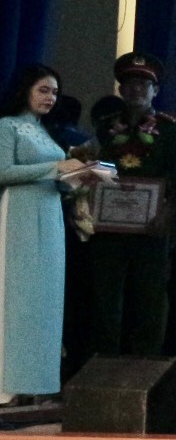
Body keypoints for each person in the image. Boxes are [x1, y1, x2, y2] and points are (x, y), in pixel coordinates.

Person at [3, 65, 96, 403]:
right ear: (24, 90)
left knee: (45, 300)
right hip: (19, 216)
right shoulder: (7, 126)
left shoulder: (42, 130)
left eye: (54, 92)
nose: (50, 98)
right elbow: (3, 171)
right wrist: (56, 167)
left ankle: (34, 383)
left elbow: (53, 177)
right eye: (43, 90)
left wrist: (77, 179)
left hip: (50, 214)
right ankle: (7, 385)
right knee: (18, 297)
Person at [86, 52, 176, 358]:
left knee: (150, 297)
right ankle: (104, 362)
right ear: (120, 89)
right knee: (105, 297)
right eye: (130, 83)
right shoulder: (105, 126)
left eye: (144, 84)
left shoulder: (171, 129)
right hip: (108, 226)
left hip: (152, 226)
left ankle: (146, 363)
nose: (136, 89)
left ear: (155, 91)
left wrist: (167, 215)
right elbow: (93, 171)